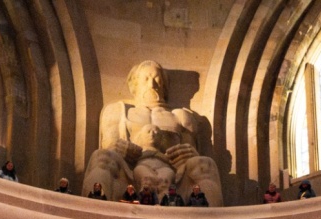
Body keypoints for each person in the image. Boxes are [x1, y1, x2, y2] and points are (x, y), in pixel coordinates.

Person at [82, 60, 223, 205]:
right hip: (130, 173)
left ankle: (209, 218)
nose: (152, 85)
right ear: (135, 84)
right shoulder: (117, 111)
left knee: (205, 164)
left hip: (172, 175)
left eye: (157, 79)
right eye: (146, 79)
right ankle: (95, 209)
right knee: (101, 157)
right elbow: (109, 147)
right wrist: (119, 148)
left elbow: (190, 154)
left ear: (164, 84)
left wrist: (189, 153)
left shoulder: (181, 115)